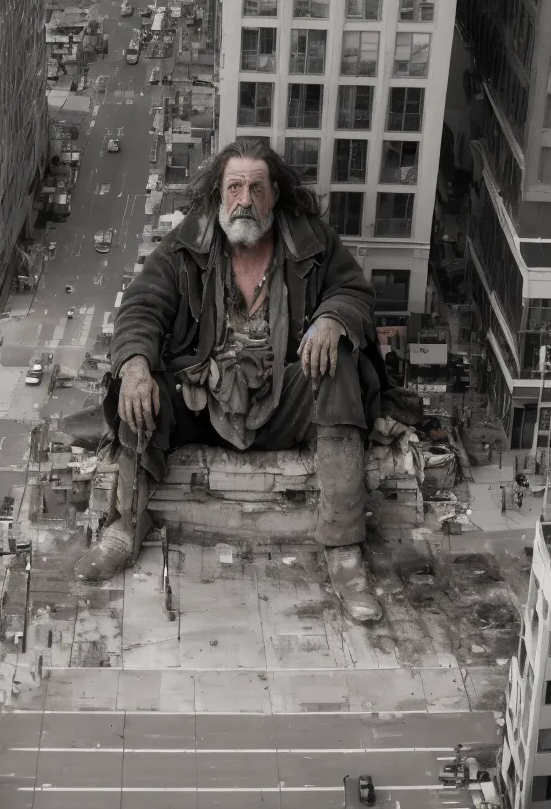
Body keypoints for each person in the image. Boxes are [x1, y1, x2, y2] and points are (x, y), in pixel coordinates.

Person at [61, 139, 415, 622]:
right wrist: (136, 366)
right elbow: (142, 306)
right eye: (234, 187)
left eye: (255, 188)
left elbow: (353, 290)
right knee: (140, 390)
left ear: (275, 195)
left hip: (280, 399)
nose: (244, 199)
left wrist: (332, 320)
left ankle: (344, 551)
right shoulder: (187, 243)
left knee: (338, 372)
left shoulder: (311, 241)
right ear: (218, 194)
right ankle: (125, 527)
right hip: (203, 399)